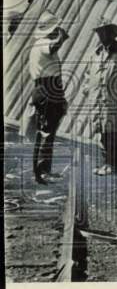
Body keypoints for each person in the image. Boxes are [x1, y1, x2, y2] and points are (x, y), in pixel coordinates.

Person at [86, 17, 117, 175]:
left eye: (104, 32)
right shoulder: (96, 53)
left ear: (111, 33)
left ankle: (115, 166)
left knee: (115, 133)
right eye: (99, 32)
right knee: (103, 133)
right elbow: (88, 75)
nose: (101, 35)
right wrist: (87, 89)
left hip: (115, 100)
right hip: (98, 100)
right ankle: (106, 163)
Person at [28, 11, 70, 184]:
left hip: (50, 88)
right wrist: (62, 36)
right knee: (46, 131)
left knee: (48, 131)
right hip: (46, 89)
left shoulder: (40, 44)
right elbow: (53, 47)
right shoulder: (42, 43)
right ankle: (42, 171)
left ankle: (44, 170)